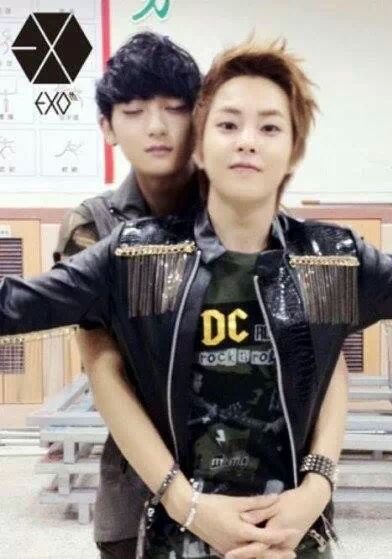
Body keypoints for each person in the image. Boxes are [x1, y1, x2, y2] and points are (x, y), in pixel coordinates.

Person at [1, 37, 392, 559]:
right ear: (199, 148)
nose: (247, 142)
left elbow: (330, 359)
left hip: (292, 531)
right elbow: (31, 315)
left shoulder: (333, 257)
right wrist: (190, 506)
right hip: (166, 521)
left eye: (270, 128)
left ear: (295, 150)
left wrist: (315, 488)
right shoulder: (129, 253)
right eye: (228, 125)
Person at [54, 31, 202, 558]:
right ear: (107, 127)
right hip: (135, 485)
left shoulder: (240, 209)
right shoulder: (92, 226)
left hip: (248, 476)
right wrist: (181, 498)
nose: (157, 126)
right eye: (135, 111)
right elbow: (103, 367)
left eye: (176, 108)